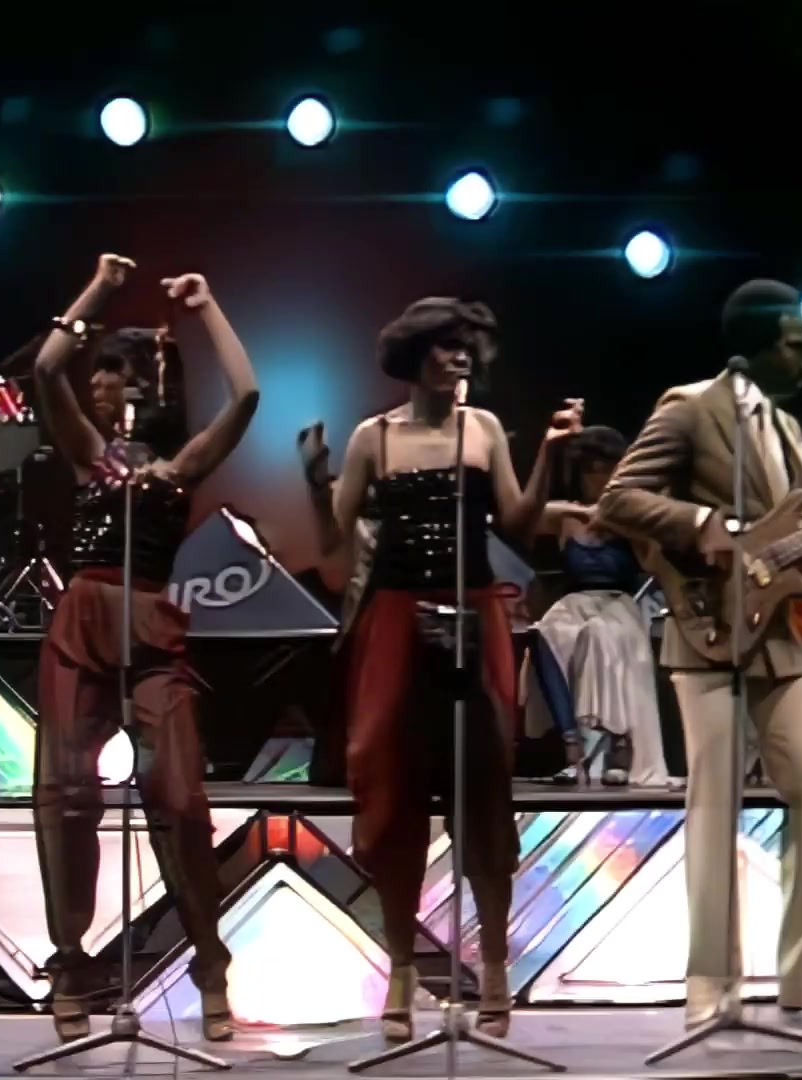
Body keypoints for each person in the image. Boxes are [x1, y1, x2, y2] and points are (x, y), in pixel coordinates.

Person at [594, 278, 802, 1027]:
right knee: (715, 799)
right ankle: (711, 989)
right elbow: (618, 499)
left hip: (777, 629)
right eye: (796, 344)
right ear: (757, 345)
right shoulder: (690, 408)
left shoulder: (787, 429)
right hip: (709, 625)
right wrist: (707, 525)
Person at [304, 297, 580, 1042]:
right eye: (446, 345)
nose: (460, 358)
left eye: (467, 347)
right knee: (393, 789)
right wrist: (314, 481)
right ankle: (401, 970)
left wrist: (550, 452)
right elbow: (332, 540)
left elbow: (518, 523)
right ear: (415, 352)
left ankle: (492, 969)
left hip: (474, 614)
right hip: (396, 619)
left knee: (484, 786)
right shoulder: (374, 437)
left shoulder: (482, 428)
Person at [27, 253, 259, 1043]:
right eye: (101, 370)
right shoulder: (89, 455)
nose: (101, 382)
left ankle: (209, 960)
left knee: (180, 797)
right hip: (81, 625)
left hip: (152, 630)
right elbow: (46, 367)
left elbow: (247, 394)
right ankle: (71, 962)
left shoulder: (182, 465)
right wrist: (99, 288)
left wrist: (206, 305)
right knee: (67, 794)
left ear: (149, 386)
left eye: (117, 371)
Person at [524, 425, 671, 787]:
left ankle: (619, 746)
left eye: (605, 468)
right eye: (590, 469)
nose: (597, 477)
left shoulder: (632, 514)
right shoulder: (567, 515)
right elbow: (529, 516)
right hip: (575, 602)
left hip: (619, 603)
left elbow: (654, 564)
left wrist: (625, 522)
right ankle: (571, 748)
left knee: (601, 634)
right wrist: (589, 513)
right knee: (545, 634)